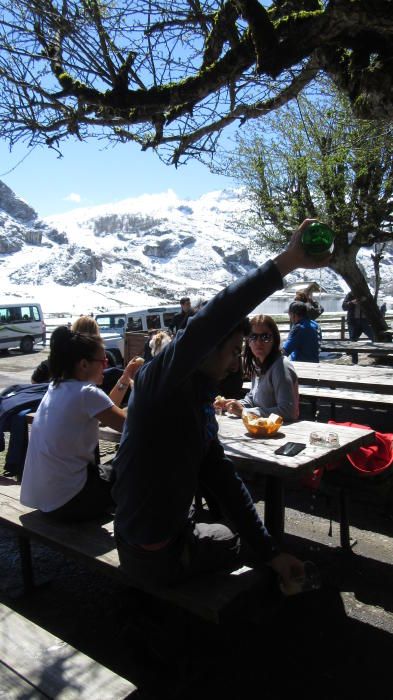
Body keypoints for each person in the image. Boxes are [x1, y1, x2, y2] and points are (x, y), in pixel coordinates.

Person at [112, 219, 329, 593]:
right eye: (231, 352)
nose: (234, 364)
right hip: (153, 552)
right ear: (204, 347)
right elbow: (214, 317)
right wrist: (287, 262)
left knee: (234, 528)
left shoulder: (196, 401)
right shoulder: (158, 381)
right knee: (232, 543)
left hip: (146, 537)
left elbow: (223, 478)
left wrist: (272, 550)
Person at [20, 327, 126, 521]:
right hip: (71, 503)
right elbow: (132, 426)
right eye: (103, 361)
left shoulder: (57, 386)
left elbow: (108, 411)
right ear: (84, 364)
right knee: (135, 463)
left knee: (114, 466)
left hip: (46, 501)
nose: (106, 365)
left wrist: (125, 379)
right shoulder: (86, 393)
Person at [217, 315, 299, 423]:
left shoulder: (281, 367)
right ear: (248, 341)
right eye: (253, 337)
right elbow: (253, 398)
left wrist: (244, 411)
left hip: (280, 432)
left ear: (274, 340)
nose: (258, 342)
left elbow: (288, 412)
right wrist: (233, 404)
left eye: (265, 337)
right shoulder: (258, 363)